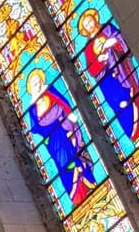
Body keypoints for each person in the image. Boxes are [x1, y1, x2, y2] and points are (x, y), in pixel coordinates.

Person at [78, 10, 139, 142]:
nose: (89, 25)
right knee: (122, 106)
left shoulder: (108, 29)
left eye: (90, 21)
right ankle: (135, 136)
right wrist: (100, 60)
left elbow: (122, 42)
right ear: (85, 30)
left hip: (123, 69)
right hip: (110, 82)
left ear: (95, 19)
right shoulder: (88, 48)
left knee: (137, 94)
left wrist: (113, 42)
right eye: (86, 25)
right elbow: (92, 70)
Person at [25, 69, 95, 206]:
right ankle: (75, 195)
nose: (37, 84)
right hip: (53, 141)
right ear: (30, 88)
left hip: (65, 131)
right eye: (34, 83)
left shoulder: (50, 91)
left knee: (77, 156)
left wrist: (68, 116)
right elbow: (35, 128)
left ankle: (89, 184)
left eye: (38, 81)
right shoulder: (32, 107)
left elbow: (64, 104)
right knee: (64, 165)